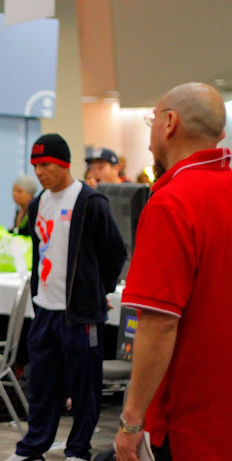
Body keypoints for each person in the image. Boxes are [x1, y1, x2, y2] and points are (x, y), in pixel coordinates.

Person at [114, 82, 232, 460]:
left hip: (191, 424)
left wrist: (131, 421)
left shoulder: (172, 203)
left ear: (169, 123)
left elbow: (158, 324)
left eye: (151, 119)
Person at [6, 133, 126, 461]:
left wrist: (97, 291)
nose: (39, 172)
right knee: (42, 385)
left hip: (79, 313)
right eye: (35, 165)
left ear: (63, 164)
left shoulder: (90, 202)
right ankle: (33, 447)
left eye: (45, 165)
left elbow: (115, 253)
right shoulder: (39, 201)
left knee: (83, 386)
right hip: (44, 309)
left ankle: (77, 450)